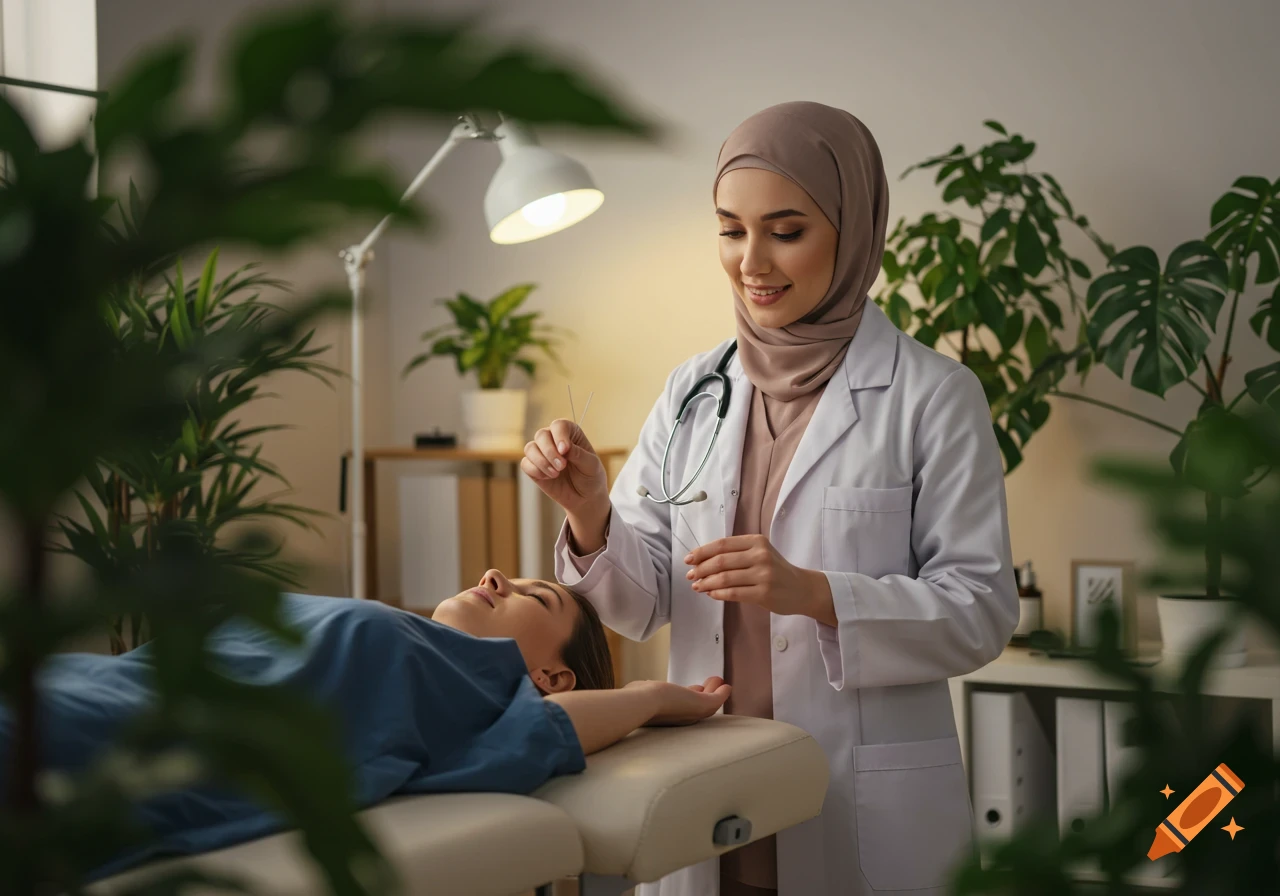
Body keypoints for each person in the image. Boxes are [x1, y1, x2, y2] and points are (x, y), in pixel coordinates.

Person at [522, 102, 1019, 896]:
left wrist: (815, 595)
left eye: (786, 231)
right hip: (705, 795)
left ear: (852, 230)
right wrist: (588, 512)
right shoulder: (693, 388)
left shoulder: (933, 395)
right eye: (730, 230)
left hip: (856, 803)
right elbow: (641, 604)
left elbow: (981, 610)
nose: (751, 261)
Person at [0, 570, 730, 879]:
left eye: (533, 598)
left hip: (113, 738)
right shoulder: (434, 656)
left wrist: (654, 696)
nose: (493, 578)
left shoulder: (483, 701)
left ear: (552, 677)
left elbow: (551, 732)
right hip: (99, 684)